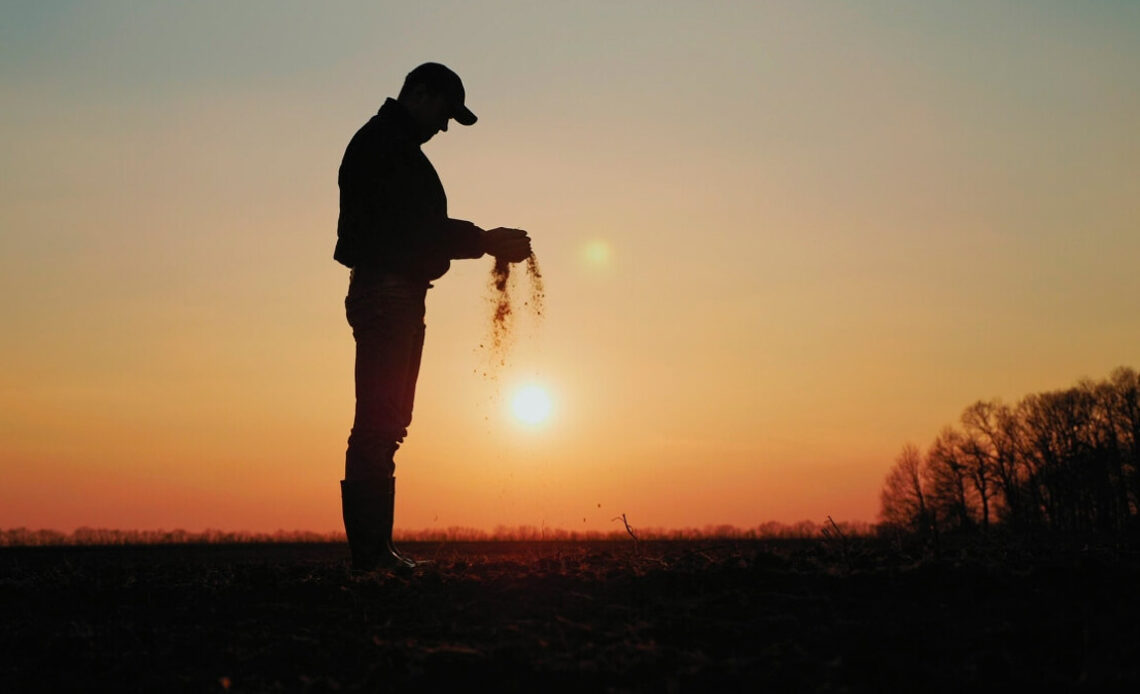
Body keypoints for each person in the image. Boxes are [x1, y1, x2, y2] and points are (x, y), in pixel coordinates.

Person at [335, 63, 531, 570]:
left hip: (399, 294)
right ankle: (372, 556)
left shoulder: (395, 150)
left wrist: (480, 241)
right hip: (387, 293)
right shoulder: (384, 148)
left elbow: (421, 228)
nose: (444, 127)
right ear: (419, 95)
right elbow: (415, 229)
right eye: (444, 113)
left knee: (390, 422)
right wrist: (484, 241)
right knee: (379, 423)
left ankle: (376, 552)